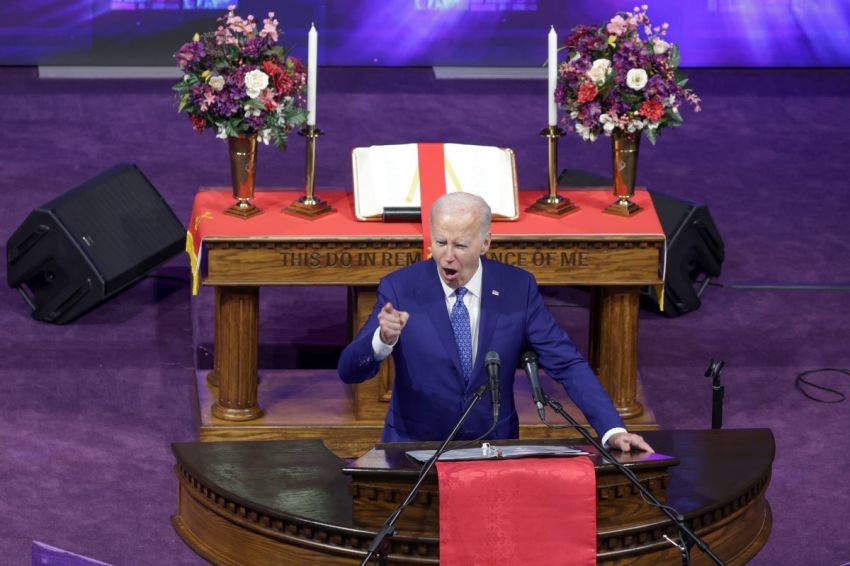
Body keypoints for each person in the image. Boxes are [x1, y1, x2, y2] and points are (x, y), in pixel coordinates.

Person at [337, 192, 652, 453]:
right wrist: (382, 339)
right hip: (416, 446)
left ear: (486, 243)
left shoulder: (517, 288)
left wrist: (612, 430)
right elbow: (350, 370)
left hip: (493, 446)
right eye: (440, 243)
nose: (447, 256)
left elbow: (566, 363)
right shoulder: (400, 288)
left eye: (460, 246)